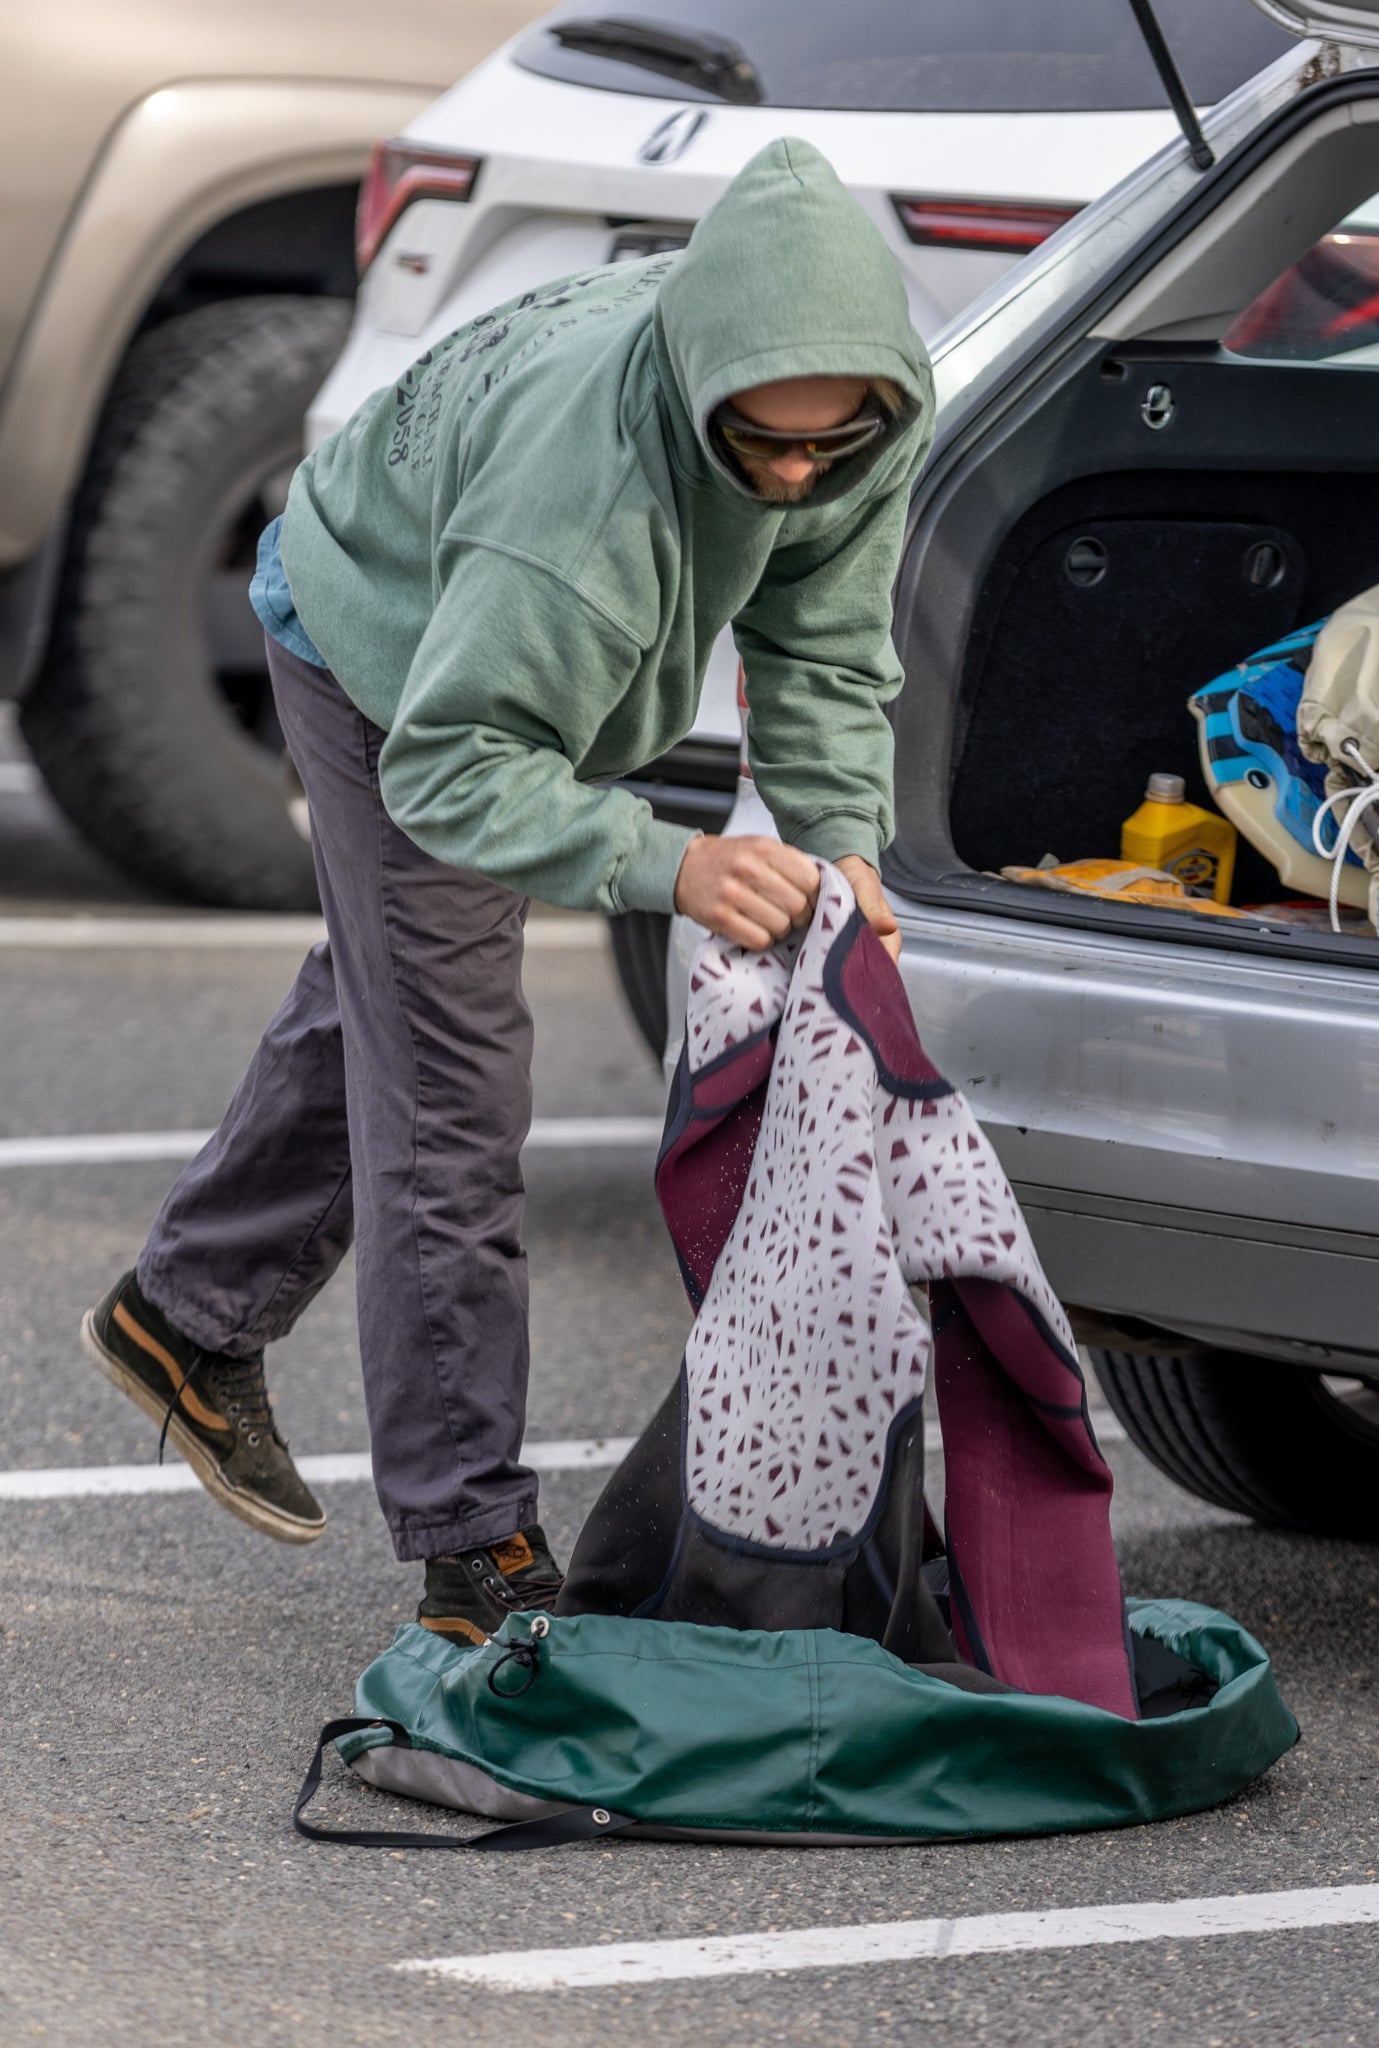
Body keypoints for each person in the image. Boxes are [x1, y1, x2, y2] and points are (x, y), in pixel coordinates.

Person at [79, 137, 934, 1643]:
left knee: (388, 997)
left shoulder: (833, 405)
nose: (797, 475)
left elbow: (822, 641)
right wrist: (669, 863)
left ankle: (184, 1318)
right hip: (385, 646)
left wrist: (841, 840)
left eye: (831, 446)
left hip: (482, 648)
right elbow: (456, 767)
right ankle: (470, 1544)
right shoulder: (575, 511)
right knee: (454, 1095)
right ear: (696, 385)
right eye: (761, 450)